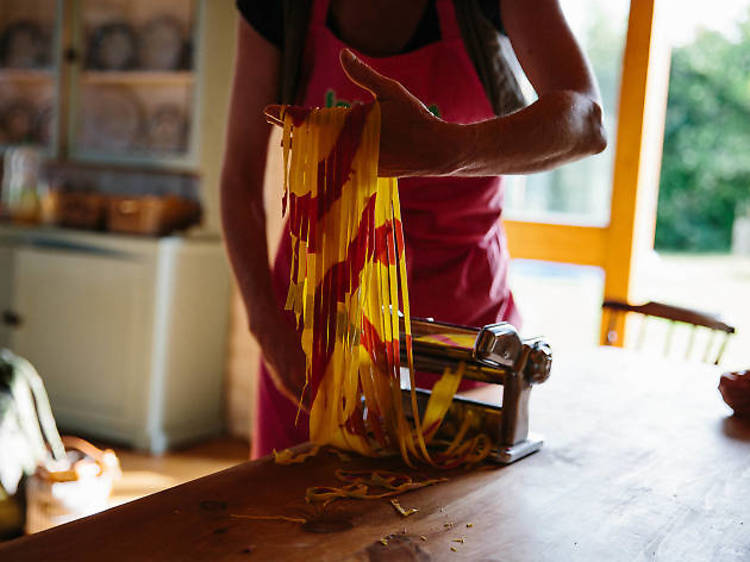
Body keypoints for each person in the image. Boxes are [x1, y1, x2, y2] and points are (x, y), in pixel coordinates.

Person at [221, 0, 607, 458]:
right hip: (313, 350)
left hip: (457, 353)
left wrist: (450, 150)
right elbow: (239, 181)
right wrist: (268, 329)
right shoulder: (284, 10)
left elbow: (586, 120)